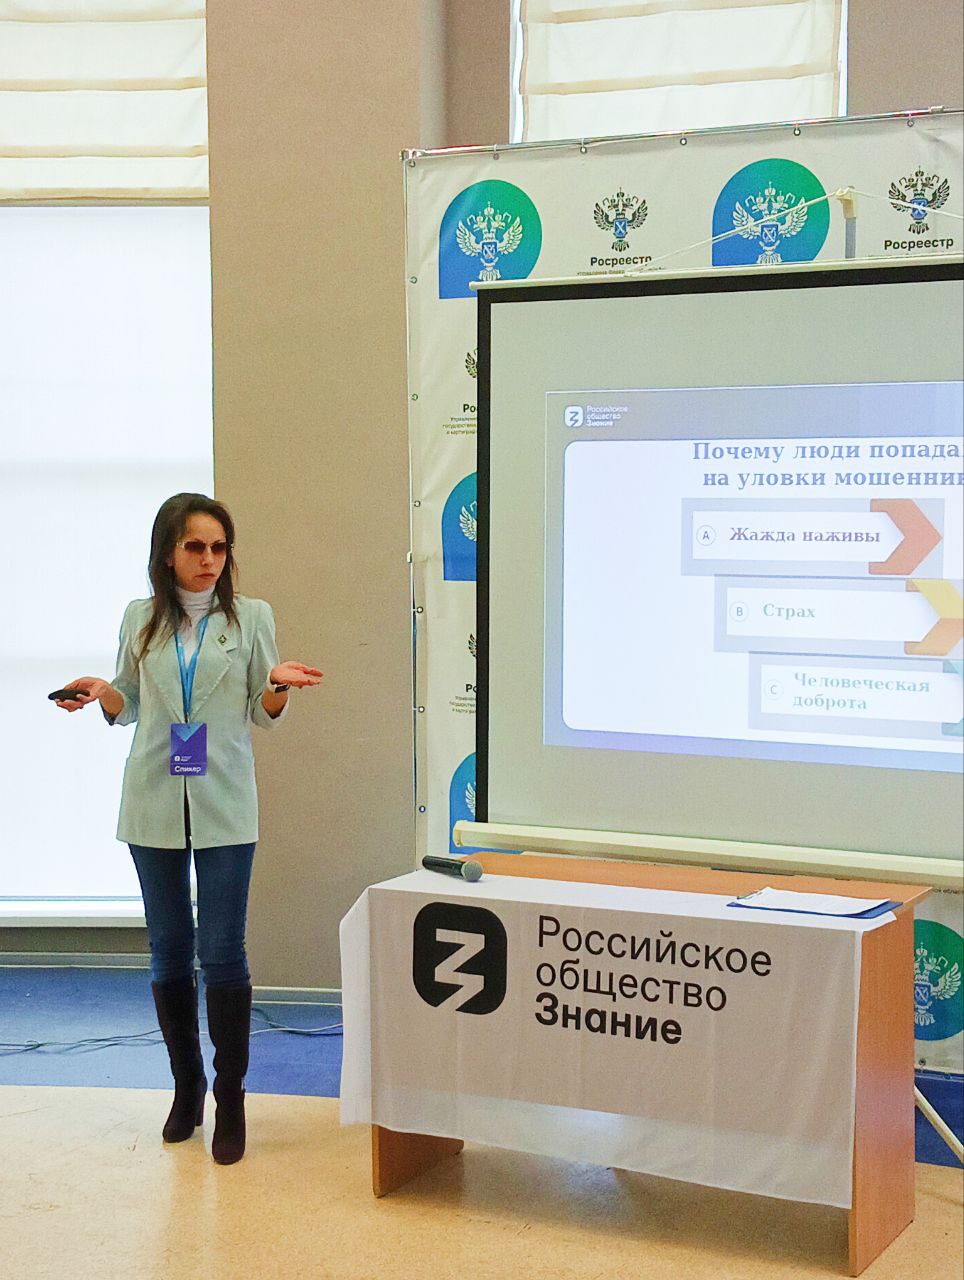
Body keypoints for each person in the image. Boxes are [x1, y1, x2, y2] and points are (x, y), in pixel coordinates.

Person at [54, 493, 322, 1164]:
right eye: (195, 547)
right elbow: (129, 703)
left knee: (223, 949)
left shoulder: (252, 616)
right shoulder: (138, 617)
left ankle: (231, 1098)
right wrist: (103, 692)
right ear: (167, 553)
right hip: (152, 796)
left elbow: (261, 708)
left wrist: (278, 685)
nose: (209, 560)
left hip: (224, 798)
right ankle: (187, 1086)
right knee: (168, 948)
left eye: (219, 547)